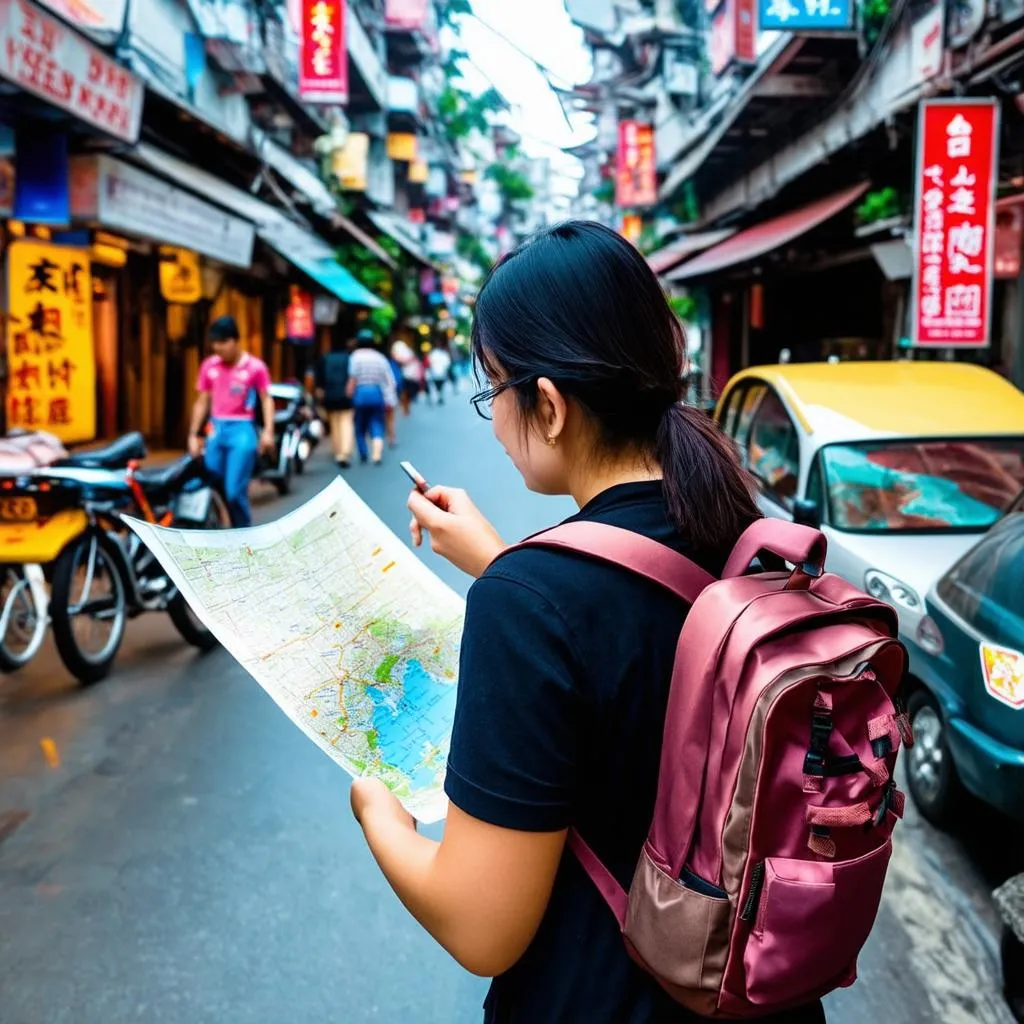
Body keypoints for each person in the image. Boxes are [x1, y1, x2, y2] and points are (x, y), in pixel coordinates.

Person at [351, 222, 824, 1023]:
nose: (493, 421)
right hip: (755, 990)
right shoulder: (732, 518)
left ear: (547, 403)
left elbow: (481, 927)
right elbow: (638, 637)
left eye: (493, 390)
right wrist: (503, 565)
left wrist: (375, 806)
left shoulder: (531, 602)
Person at [188, 315, 274, 527]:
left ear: (235, 340)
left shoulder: (255, 367)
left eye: (223, 342)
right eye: (214, 343)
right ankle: (223, 530)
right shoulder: (209, 366)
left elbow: (266, 399)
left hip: (242, 429)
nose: (218, 348)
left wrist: (268, 431)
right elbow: (202, 401)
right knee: (211, 482)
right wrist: (193, 434)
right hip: (216, 429)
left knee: (234, 491)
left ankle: (244, 535)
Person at [347, 329, 397, 466]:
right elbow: (389, 380)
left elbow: (353, 378)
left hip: (361, 394)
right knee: (377, 423)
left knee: (360, 426)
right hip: (376, 393)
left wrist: (349, 393)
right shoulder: (380, 358)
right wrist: (389, 397)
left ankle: (363, 452)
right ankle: (377, 453)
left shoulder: (355, 357)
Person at [314, 333, 355, 470]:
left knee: (334, 424)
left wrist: (320, 392)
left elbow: (319, 378)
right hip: (345, 396)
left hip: (330, 395)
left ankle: (338, 452)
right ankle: (344, 453)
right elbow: (353, 377)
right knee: (346, 423)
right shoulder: (349, 359)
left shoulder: (325, 358)